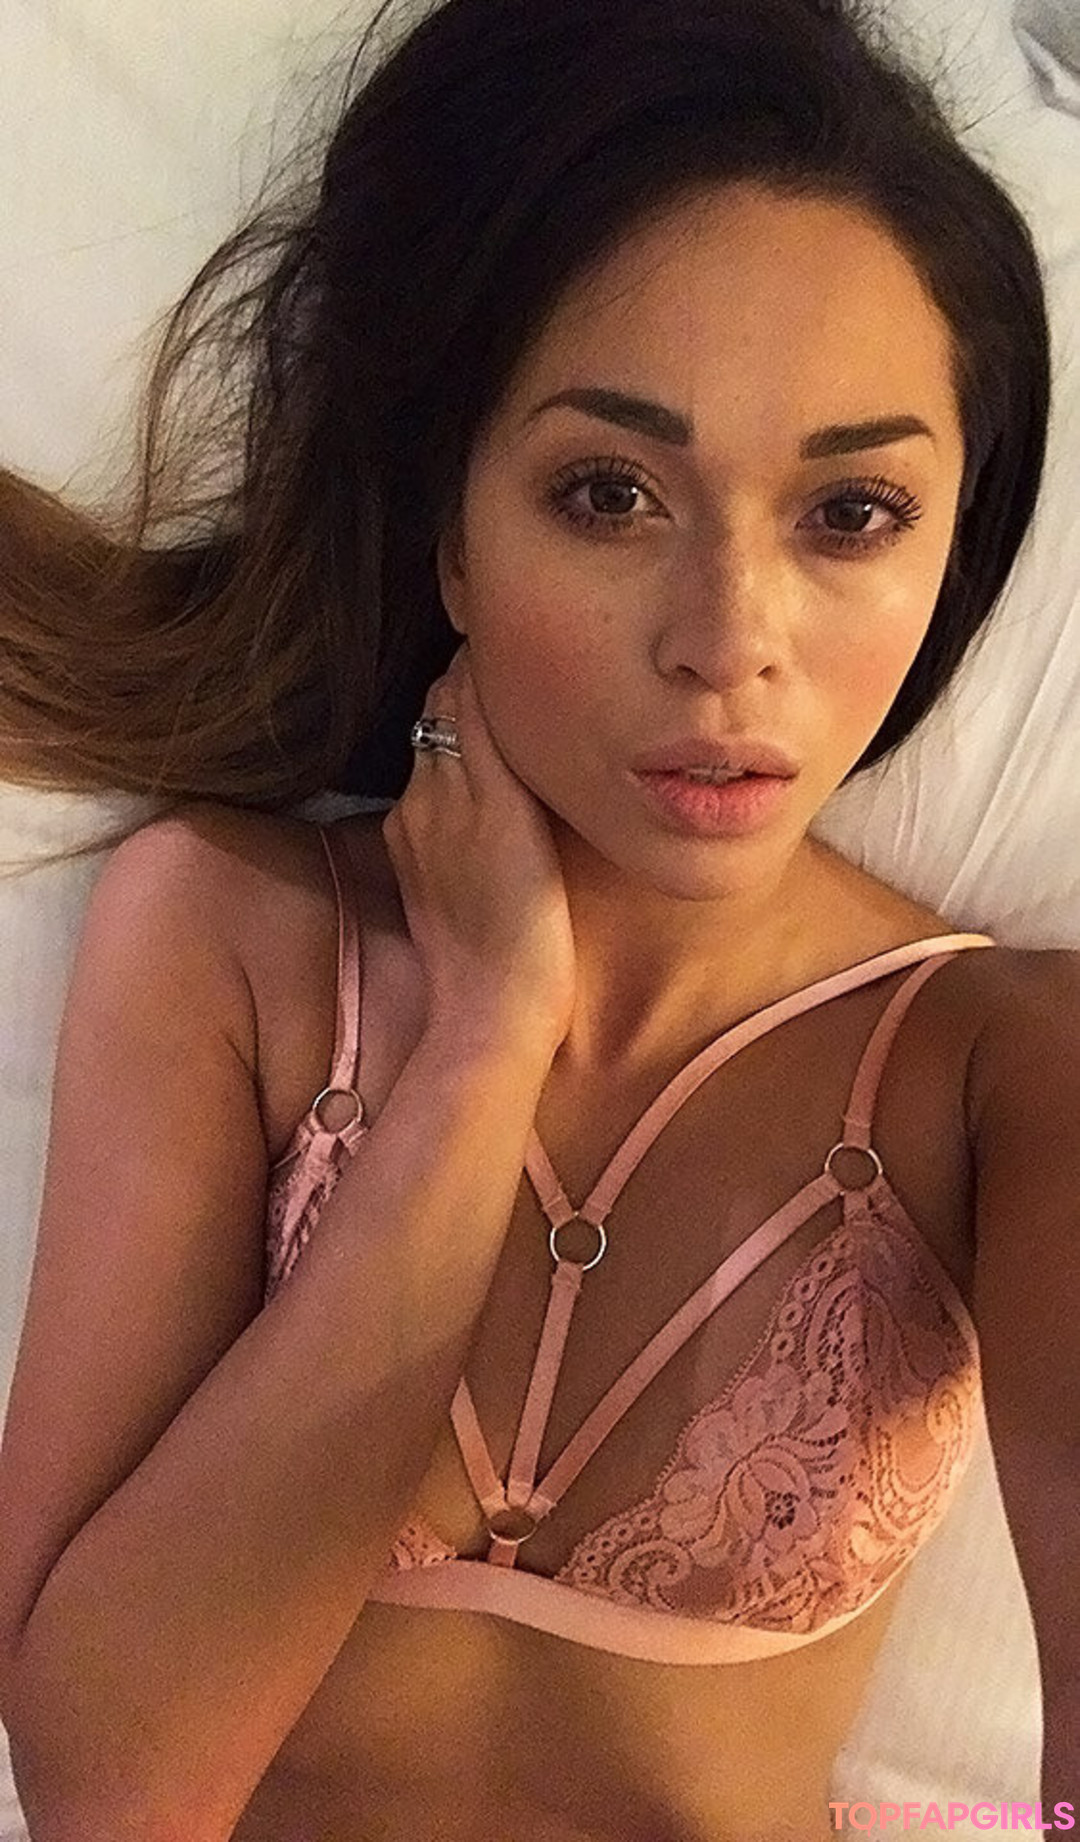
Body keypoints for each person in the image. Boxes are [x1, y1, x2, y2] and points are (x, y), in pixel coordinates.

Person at [0, 0, 1076, 1837]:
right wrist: (481, 1044)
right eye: (609, 492)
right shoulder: (230, 941)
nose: (729, 638)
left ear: (950, 549)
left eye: (849, 512)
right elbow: (112, 1791)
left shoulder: (1003, 1070)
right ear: (452, 528)